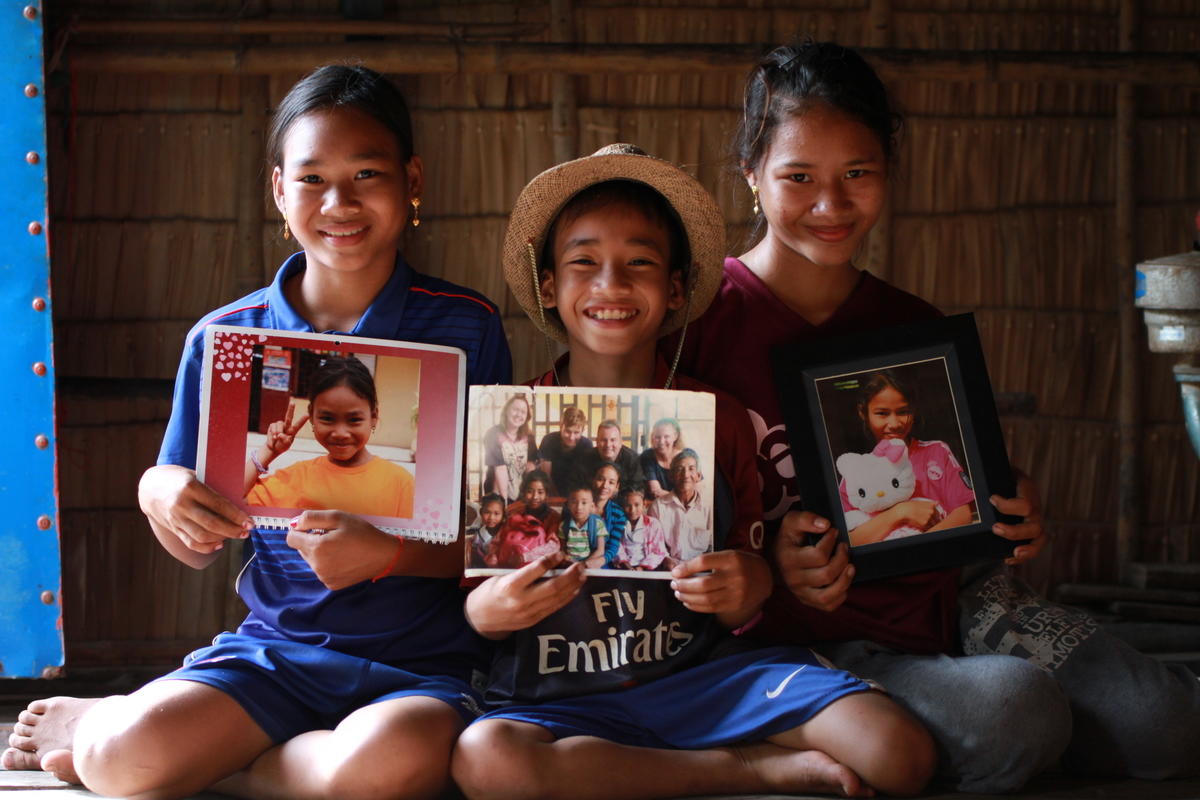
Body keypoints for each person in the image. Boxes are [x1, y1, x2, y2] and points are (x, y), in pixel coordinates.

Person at [671, 40, 1200, 791]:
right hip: (800, 643)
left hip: (961, 601)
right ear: (753, 175)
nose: (831, 204)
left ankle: (1004, 741)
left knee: (1169, 726)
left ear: (888, 173)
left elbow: (965, 480)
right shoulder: (698, 331)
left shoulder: (912, 328)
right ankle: (888, 740)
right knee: (1015, 713)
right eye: (799, 178)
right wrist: (765, 568)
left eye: (858, 174)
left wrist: (1011, 503)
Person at [4, 65, 511, 798]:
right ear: (279, 191)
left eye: (367, 173)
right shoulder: (225, 340)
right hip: (277, 651)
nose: (340, 202)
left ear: (411, 181)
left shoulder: (468, 327)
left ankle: (242, 767)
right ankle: (122, 725)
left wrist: (391, 555)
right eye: (312, 179)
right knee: (120, 763)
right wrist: (160, 492)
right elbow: (194, 545)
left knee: (383, 771)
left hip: (423, 663)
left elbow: (500, 537)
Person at [451, 143, 935, 799]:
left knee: (898, 753)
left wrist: (746, 587)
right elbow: (474, 604)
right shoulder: (508, 424)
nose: (611, 285)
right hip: (559, 686)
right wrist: (496, 607)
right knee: (486, 761)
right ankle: (744, 768)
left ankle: (631, 769)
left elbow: (752, 574)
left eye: (640, 264)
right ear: (549, 287)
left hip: (705, 677)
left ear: (676, 287)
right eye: (583, 263)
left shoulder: (720, 419)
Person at [244, 355, 415, 519]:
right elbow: (229, 503)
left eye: (354, 420)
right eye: (327, 418)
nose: (340, 433)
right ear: (312, 415)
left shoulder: (401, 485)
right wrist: (267, 452)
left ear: (374, 417)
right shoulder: (296, 479)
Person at [837, 370, 975, 545]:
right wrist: (901, 512)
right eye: (882, 413)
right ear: (862, 412)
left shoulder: (937, 452)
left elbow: (963, 515)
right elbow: (851, 541)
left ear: (914, 410)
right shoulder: (854, 472)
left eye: (903, 412)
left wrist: (919, 549)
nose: (894, 424)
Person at [648, 448, 712, 562]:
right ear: (671, 476)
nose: (685, 475)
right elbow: (653, 544)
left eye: (691, 469)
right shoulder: (658, 506)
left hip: (700, 569)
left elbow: (712, 547)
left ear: (698, 475)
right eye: (679, 469)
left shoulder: (708, 508)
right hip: (668, 569)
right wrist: (666, 559)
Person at [488, 471, 562, 568]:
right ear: (523, 492)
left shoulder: (553, 517)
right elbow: (498, 540)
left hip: (540, 567)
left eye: (540, 492)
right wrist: (493, 555)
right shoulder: (516, 515)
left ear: (547, 494)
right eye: (530, 491)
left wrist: (525, 557)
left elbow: (553, 546)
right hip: (510, 566)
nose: (535, 497)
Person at [483, 394, 538, 504]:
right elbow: (500, 468)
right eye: (515, 409)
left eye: (523, 412)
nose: (519, 414)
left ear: (527, 417)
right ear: (507, 410)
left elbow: (531, 467)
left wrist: (528, 496)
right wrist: (504, 503)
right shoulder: (493, 434)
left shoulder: (529, 437)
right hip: (497, 492)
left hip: (520, 493)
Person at [536, 405, 593, 496]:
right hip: (551, 489)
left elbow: (586, 478)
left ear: (583, 430)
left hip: (576, 490)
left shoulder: (587, 445)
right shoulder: (549, 440)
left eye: (576, 432)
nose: (571, 437)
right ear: (561, 426)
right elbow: (546, 476)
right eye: (568, 431)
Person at [613, 487, 672, 571]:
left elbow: (658, 551)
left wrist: (641, 567)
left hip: (649, 566)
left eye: (637, 505)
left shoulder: (653, 524)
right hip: (625, 566)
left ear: (644, 504)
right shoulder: (618, 524)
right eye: (628, 506)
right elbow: (617, 547)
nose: (632, 510)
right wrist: (625, 564)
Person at [581, 419, 645, 495]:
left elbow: (637, 488)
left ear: (621, 442)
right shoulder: (585, 458)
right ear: (597, 441)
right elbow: (579, 486)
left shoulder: (631, 459)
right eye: (603, 440)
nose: (608, 445)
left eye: (613, 440)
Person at [558, 486, 608, 568]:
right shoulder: (564, 525)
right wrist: (566, 558)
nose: (579, 507)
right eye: (574, 502)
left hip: (589, 564)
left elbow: (600, 550)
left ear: (591, 506)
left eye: (584, 503)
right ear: (568, 505)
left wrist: (585, 563)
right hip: (570, 565)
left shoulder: (598, 524)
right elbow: (563, 549)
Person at [589, 462, 627, 565]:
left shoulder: (619, 514)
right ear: (593, 480)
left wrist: (598, 562)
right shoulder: (579, 505)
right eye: (600, 479)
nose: (605, 486)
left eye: (611, 482)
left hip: (603, 563)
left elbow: (612, 548)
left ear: (616, 487)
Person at [639, 417, 684, 499]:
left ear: (675, 436)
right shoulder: (648, 456)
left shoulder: (687, 456)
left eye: (666, 436)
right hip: (657, 505)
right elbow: (655, 491)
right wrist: (682, 498)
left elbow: (698, 488)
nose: (661, 441)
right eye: (658, 437)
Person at [466, 494, 506, 568]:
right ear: (481, 512)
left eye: (496, 513)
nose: (491, 517)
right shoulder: (478, 537)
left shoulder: (507, 531)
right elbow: (475, 559)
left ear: (503, 515)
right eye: (487, 512)